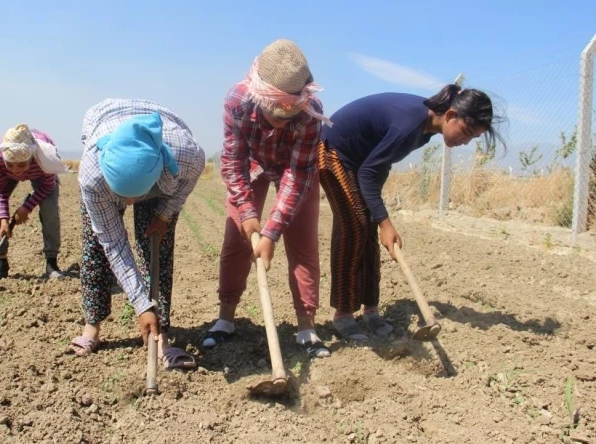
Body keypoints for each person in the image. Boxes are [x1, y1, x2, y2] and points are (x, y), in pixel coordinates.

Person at [319, 85, 506, 340]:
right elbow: (368, 172)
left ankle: (371, 309)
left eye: (473, 139)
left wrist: (379, 216)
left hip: (362, 161)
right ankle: (343, 314)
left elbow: (380, 163)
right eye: (467, 132)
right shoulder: (408, 125)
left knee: (369, 227)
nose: (465, 142)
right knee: (355, 226)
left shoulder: (425, 130)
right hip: (333, 151)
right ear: (451, 115)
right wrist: (386, 221)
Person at [203, 39, 332, 358]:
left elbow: (298, 175)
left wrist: (272, 232)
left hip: (294, 168)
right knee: (236, 240)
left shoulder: (311, 113)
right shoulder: (237, 100)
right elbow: (233, 162)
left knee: (303, 243)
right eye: (275, 114)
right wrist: (248, 215)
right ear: (260, 97)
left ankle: (307, 328)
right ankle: (225, 320)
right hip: (251, 165)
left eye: (289, 117)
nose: (282, 120)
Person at [70, 99, 205, 370]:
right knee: (96, 246)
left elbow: (187, 182)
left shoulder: (186, 156)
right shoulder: (91, 175)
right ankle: (91, 326)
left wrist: (165, 213)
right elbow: (114, 243)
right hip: (105, 124)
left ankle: (160, 334)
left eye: (136, 196)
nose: (128, 202)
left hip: (162, 151)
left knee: (158, 245)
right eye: (122, 196)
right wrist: (140, 304)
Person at [0, 124, 68, 281]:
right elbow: (1, 192)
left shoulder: (46, 158)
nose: (16, 170)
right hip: (7, 173)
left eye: (22, 164)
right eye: (11, 164)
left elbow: (48, 186)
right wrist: (4, 219)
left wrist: (26, 208)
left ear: (31, 157)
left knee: (49, 208)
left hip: (41, 172)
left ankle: (52, 263)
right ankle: (1, 263)